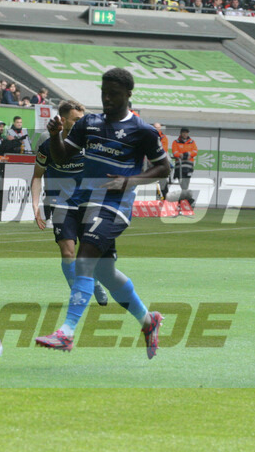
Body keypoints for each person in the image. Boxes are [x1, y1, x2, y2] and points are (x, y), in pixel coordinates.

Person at [35, 68, 170, 357]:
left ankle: (66, 332)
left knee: (84, 261)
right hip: (85, 203)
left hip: (114, 205)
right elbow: (61, 156)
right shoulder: (89, 123)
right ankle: (149, 320)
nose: (107, 98)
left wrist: (129, 181)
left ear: (128, 95)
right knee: (105, 273)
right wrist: (57, 136)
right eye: (104, 92)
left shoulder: (143, 131)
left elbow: (163, 169)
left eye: (114, 94)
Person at [30, 99, 109, 309]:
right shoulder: (47, 145)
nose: (81, 123)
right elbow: (37, 176)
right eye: (76, 120)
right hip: (60, 203)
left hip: (88, 204)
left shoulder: (91, 144)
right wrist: (35, 206)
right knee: (67, 253)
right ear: (63, 121)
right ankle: (77, 291)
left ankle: (95, 282)